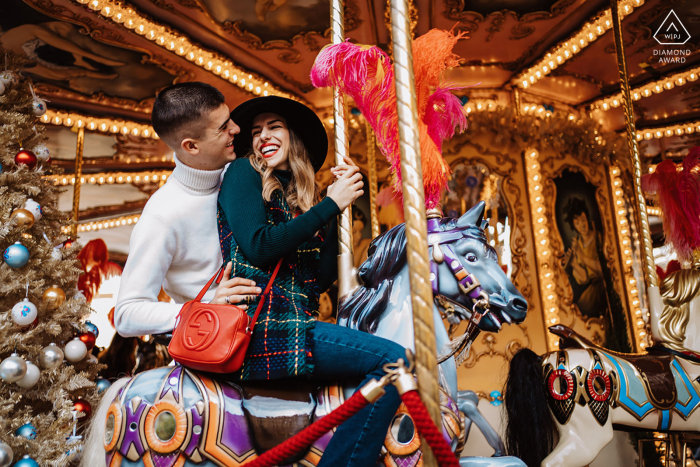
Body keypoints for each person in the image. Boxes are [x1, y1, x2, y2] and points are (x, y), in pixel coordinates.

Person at [218, 95, 406, 467]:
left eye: (274, 127)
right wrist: (330, 206)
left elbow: (318, 279)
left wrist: (342, 205)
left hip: (296, 323)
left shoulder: (299, 198)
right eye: (256, 131)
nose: (262, 136)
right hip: (263, 326)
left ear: (293, 137)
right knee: (393, 362)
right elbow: (258, 246)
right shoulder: (243, 173)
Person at [115, 82, 261, 338]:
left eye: (231, 120)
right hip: (218, 341)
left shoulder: (241, 174)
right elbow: (127, 314)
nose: (236, 129)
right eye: (223, 128)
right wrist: (207, 307)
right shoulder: (163, 214)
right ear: (191, 146)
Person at [562, 197, 607, 318]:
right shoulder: (578, 244)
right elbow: (584, 279)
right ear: (574, 226)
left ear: (587, 217)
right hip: (590, 289)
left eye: (583, 219)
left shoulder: (598, 238)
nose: (582, 225)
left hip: (603, 288)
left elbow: (603, 270)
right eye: (577, 223)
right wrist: (573, 264)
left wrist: (582, 256)